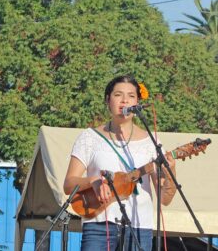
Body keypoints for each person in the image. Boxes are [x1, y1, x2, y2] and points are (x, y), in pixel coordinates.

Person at [63, 75, 177, 251]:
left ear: (138, 102)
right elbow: (69, 184)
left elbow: (165, 199)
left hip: (139, 226)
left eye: (131, 96)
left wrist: (171, 172)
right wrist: (93, 181)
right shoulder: (89, 137)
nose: (125, 100)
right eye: (118, 95)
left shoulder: (151, 141)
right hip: (98, 225)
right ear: (108, 100)